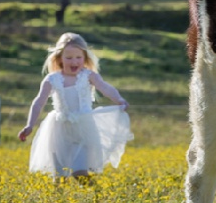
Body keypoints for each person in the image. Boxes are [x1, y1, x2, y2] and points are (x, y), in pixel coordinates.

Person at [18, 31, 132, 181]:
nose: (74, 62)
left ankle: (96, 198)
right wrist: (29, 125)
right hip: (58, 129)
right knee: (58, 177)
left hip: (83, 129)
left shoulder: (89, 76)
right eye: (69, 58)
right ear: (60, 58)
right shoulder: (52, 79)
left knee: (79, 173)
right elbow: (39, 102)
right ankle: (59, 202)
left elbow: (105, 88)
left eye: (79, 57)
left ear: (85, 58)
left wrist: (119, 99)